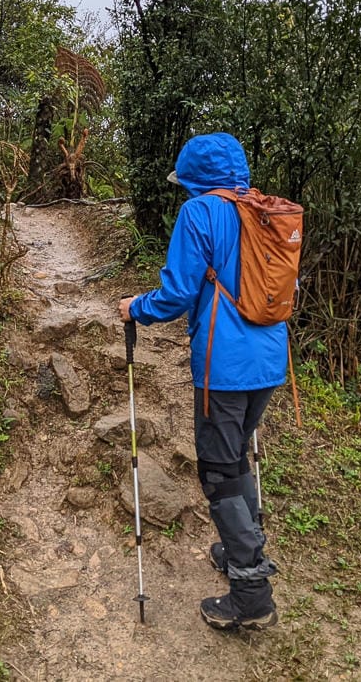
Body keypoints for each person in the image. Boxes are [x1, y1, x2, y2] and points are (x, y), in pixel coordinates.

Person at [118, 132, 284, 631]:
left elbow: (177, 295)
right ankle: (241, 548)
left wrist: (134, 308)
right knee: (235, 459)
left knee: (217, 471)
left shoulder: (199, 214)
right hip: (271, 359)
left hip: (225, 367)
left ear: (193, 177)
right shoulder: (265, 211)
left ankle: (251, 594)